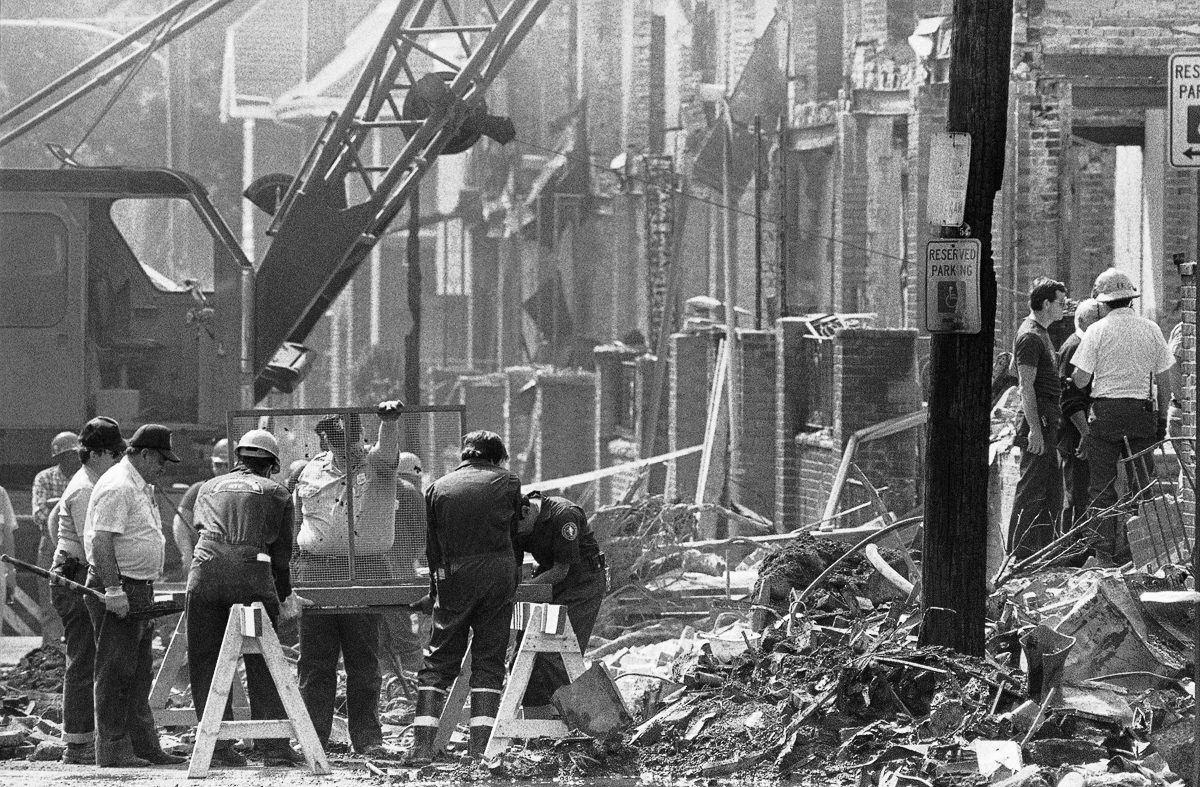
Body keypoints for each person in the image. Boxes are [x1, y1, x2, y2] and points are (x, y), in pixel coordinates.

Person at [187, 429, 310, 768]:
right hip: (250, 581)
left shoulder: (206, 488)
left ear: (238, 458)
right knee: (263, 658)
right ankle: (273, 747)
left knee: (205, 659)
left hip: (204, 576)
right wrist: (284, 598)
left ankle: (217, 749)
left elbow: (199, 529)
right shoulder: (277, 492)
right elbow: (281, 556)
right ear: (271, 465)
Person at [294, 402, 402, 756]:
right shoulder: (311, 470)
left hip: (365, 568)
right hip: (318, 569)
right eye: (334, 437)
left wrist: (389, 421)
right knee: (314, 660)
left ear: (360, 435)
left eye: (348, 437)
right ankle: (313, 739)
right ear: (325, 439)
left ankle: (368, 738)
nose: (343, 445)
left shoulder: (377, 464)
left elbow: (389, 451)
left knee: (363, 658)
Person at [410, 430, 522, 764]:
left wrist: (435, 591)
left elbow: (433, 549)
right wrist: (511, 576)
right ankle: (480, 752)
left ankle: (420, 749)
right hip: (498, 575)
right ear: (495, 456)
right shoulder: (509, 482)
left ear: (465, 455)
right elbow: (515, 537)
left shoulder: (438, 487)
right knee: (489, 661)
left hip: (454, 576)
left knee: (438, 661)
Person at [82, 424, 187, 767]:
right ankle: (112, 749)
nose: (164, 468)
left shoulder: (139, 485)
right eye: (161, 461)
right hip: (120, 587)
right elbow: (101, 542)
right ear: (144, 454)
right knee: (115, 671)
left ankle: (143, 746)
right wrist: (113, 590)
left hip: (137, 588)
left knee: (139, 672)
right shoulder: (119, 486)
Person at [1072, 268, 1178, 565]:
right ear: (1130, 300)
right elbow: (1164, 382)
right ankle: (1142, 558)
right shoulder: (1152, 329)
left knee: (1101, 490)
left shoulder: (1096, 331)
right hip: (1141, 414)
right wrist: (1162, 421)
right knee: (1142, 488)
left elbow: (1080, 381)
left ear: (1103, 303)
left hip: (1105, 415)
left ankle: (1103, 558)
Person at [49, 417, 125, 764]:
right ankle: (77, 743)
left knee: (90, 657)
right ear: (95, 454)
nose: (119, 460)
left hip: (77, 571)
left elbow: (56, 523)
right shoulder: (85, 489)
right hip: (76, 578)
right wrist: (112, 584)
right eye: (113, 453)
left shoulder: (93, 482)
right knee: (83, 659)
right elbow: (94, 542)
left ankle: (89, 738)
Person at [514, 491, 607, 715]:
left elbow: (561, 570)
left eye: (516, 529)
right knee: (525, 651)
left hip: (581, 583)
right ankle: (537, 720)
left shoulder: (563, 516)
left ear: (527, 512)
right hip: (549, 581)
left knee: (557, 651)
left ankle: (573, 718)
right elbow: (515, 564)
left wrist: (522, 592)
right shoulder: (515, 518)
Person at [1007, 276, 1067, 560]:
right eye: (1060, 303)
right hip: (1039, 418)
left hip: (1046, 417)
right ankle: (1018, 556)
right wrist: (1034, 429)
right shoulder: (1031, 336)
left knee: (1053, 492)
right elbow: (1025, 385)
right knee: (1031, 490)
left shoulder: (1040, 333)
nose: (1064, 308)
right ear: (1045, 304)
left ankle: (1042, 554)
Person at [1057, 299, 1105, 528]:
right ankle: (1070, 552)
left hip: (1081, 433)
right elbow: (1070, 400)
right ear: (1086, 322)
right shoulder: (1076, 346)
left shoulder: (1082, 344)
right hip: (1076, 436)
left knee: (1083, 494)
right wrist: (1086, 434)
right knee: (1075, 495)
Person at [379, 452, 427, 677]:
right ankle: (416, 685)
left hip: (374, 571)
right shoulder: (412, 493)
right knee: (404, 633)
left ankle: (390, 684)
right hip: (400, 572)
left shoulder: (380, 489)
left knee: (382, 634)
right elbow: (422, 538)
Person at [32, 431, 81, 644]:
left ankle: (77, 647)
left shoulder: (86, 478)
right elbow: (39, 514)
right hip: (51, 544)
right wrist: (69, 507)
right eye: (67, 455)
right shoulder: (45, 478)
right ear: (58, 457)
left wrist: (58, 504)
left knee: (80, 600)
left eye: (74, 454)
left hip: (79, 546)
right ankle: (51, 650)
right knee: (50, 602)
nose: (72, 459)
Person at [173, 438, 230, 579]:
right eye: (218, 465)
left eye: (227, 465)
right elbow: (180, 522)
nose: (222, 469)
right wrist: (187, 555)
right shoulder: (199, 489)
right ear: (212, 464)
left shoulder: (245, 492)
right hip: (206, 563)